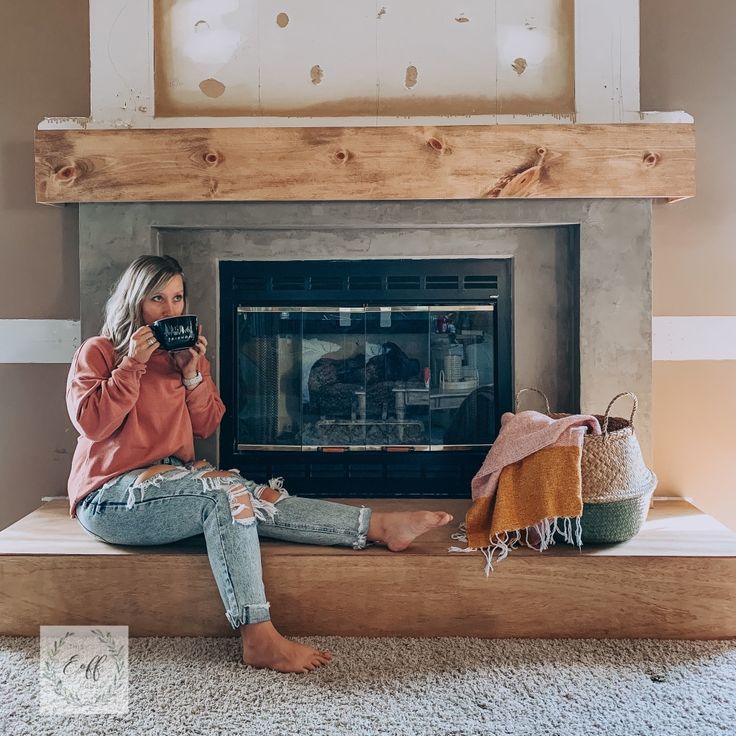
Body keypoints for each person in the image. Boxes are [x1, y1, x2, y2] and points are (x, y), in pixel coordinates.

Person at [66, 255, 453, 674]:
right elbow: (93, 424)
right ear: (135, 301)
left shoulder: (182, 358)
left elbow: (207, 423)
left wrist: (193, 374)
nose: (170, 310)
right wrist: (133, 365)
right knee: (225, 497)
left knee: (256, 497)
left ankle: (376, 526)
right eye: (157, 298)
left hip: (177, 481)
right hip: (111, 497)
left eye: (177, 298)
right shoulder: (101, 352)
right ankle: (257, 635)